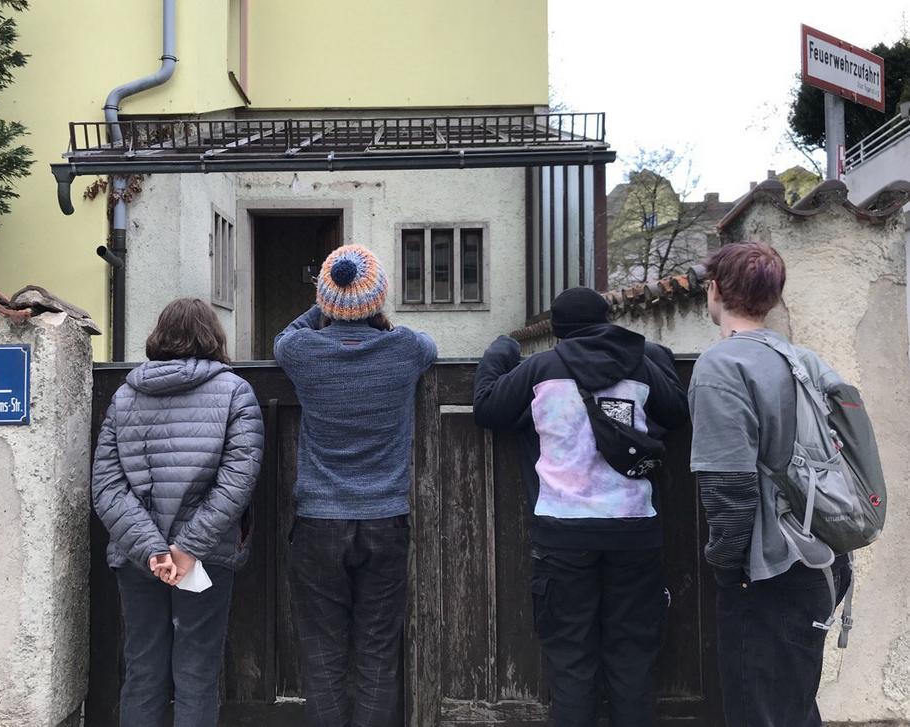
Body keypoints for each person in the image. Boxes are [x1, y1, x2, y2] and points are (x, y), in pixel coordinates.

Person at [473, 287, 688, 727]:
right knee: (632, 658)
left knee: (570, 659)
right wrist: (652, 352)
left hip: (562, 533)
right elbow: (677, 410)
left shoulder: (540, 368)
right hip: (634, 529)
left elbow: (488, 409)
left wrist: (501, 350)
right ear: (606, 320)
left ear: (557, 329)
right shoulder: (642, 366)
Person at [274, 244, 437, 727]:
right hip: (385, 518)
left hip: (319, 520)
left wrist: (324, 305)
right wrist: (372, 312)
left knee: (322, 652)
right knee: (378, 649)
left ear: (324, 298)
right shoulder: (406, 349)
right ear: (379, 298)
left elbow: (285, 335)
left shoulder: (302, 351)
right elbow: (428, 344)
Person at [690, 242, 850, 727]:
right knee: (793, 707)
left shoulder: (722, 366)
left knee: (759, 711)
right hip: (823, 555)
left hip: (768, 568)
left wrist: (726, 566)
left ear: (715, 290)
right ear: (774, 298)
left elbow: (729, 486)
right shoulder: (805, 360)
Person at [92, 297, 264, 727]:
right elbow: (237, 481)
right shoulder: (235, 391)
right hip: (206, 557)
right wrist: (186, 549)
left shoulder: (125, 395)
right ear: (213, 336)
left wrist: (152, 550)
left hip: (137, 558)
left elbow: (107, 486)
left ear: (159, 336)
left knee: (143, 669)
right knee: (197, 672)